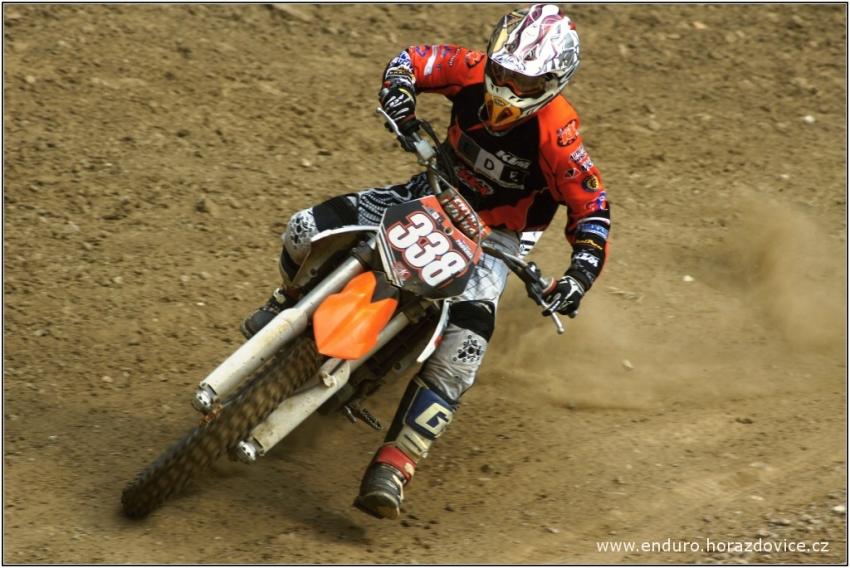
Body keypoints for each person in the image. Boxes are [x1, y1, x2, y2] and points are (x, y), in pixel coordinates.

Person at [242, 4, 611, 520]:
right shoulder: (469, 69)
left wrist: (579, 275)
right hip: (431, 188)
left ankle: (397, 462)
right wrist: (399, 93)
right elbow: (413, 60)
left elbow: (593, 209)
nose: (507, 89)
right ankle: (286, 301)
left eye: (525, 83)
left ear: (553, 82)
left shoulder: (559, 136)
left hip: (497, 238)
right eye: (503, 72)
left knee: (464, 353)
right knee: (306, 227)